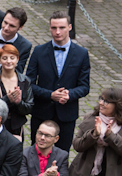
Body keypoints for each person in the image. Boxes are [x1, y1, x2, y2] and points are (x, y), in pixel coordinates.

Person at [25, 11, 91, 151]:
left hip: (66, 114)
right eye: (54, 28)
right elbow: (28, 84)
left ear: (70, 27)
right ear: (49, 28)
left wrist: (69, 94)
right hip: (42, 112)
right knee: (36, 152)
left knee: (62, 153)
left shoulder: (82, 54)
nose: (57, 32)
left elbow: (84, 87)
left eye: (61, 27)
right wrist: (50, 95)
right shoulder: (39, 51)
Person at [0, 44, 34, 137]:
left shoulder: (24, 80)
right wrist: (7, 99)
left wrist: (19, 103)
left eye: (12, 58)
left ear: (17, 59)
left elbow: (29, 108)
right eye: (4, 58)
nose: (9, 61)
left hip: (16, 127)